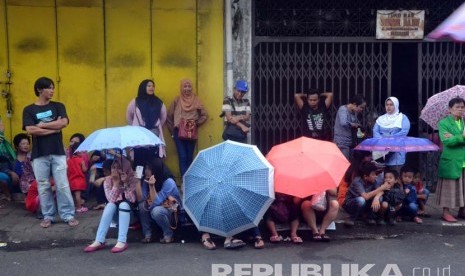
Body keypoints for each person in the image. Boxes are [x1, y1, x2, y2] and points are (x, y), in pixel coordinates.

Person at [22, 77, 78, 228]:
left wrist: (42, 125)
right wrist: (54, 128)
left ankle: (68, 215)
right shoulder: (29, 110)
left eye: (53, 87)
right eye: (49, 88)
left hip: (57, 151)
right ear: (40, 90)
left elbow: (63, 123)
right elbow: (30, 129)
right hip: (39, 154)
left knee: (62, 184)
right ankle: (48, 215)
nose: (52, 90)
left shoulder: (58, 106)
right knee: (43, 185)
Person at [84, 157, 137, 253]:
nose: (115, 170)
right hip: (116, 217)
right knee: (110, 205)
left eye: (118, 167)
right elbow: (111, 200)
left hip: (130, 216)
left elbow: (132, 200)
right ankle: (99, 240)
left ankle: (122, 241)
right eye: (113, 167)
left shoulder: (132, 179)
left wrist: (125, 184)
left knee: (124, 204)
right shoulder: (108, 180)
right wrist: (116, 184)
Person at [166, 79, 208, 177]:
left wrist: (196, 123)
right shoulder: (177, 100)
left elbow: (204, 115)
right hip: (178, 132)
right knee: (183, 157)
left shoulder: (196, 100)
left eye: (189, 86)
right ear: (181, 88)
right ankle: (185, 182)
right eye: (185, 86)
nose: (187, 89)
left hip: (191, 132)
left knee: (189, 157)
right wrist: (172, 132)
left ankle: (190, 181)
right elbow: (169, 116)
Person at [137, 158, 182, 244]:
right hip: (158, 206)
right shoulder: (147, 179)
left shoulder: (169, 182)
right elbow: (141, 198)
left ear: (156, 169)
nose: (146, 171)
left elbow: (156, 202)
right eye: (146, 168)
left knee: (156, 211)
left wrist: (151, 186)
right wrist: (138, 181)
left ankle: (168, 234)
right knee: (141, 206)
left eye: (149, 169)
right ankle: (148, 235)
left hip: (172, 210)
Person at [436, 97, 465, 223]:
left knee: (463, 187)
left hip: (463, 159)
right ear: (450, 109)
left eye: (462, 107)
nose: (460, 109)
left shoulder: (464, 122)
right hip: (451, 160)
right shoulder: (443, 123)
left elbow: (453, 139)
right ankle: (446, 212)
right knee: (449, 187)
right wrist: (462, 136)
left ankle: (462, 211)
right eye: (457, 107)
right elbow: (447, 141)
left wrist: (455, 137)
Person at [126, 79, 167, 166]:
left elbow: (163, 116)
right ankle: (139, 178)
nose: (151, 88)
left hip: (153, 134)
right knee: (139, 159)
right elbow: (129, 116)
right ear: (143, 87)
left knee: (152, 159)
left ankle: (151, 178)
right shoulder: (135, 101)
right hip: (139, 135)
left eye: (153, 86)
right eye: (149, 86)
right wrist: (135, 126)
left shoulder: (158, 102)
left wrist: (155, 127)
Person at [342, 162, 389, 226]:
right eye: (373, 174)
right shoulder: (357, 181)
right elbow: (365, 197)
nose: (375, 176)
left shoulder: (374, 180)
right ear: (365, 176)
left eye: (376, 174)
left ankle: (369, 217)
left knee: (379, 198)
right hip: (351, 204)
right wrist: (380, 189)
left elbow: (381, 192)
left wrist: (376, 198)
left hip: (364, 204)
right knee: (361, 200)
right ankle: (352, 218)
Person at [373, 97, 410, 172]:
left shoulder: (402, 118)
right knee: (382, 175)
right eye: (387, 105)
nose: (388, 107)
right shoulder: (381, 119)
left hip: (396, 151)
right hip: (382, 151)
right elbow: (375, 131)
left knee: (395, 175)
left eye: (391, 105)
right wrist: (382, 141)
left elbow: (404, 131)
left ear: (396, 105)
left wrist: (390, 140)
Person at [333, 94, 367, 160]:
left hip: (350, 142)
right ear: (354, 104)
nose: (362, 109)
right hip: (342, 143)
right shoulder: (343, 109)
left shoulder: (354, 112)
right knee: (344, 163)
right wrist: (354, 125)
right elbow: (343, 122)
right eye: (361, 107)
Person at [67, 142, 88, 213]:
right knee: (78, 195)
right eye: (81, 151)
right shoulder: (81, 160)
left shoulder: (69, 160)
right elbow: (84, 169)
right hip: (79, 180)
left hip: (71, 180)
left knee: (74, 195)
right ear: (77, 151)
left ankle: (77, 206)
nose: (82, 153)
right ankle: (79, 208)